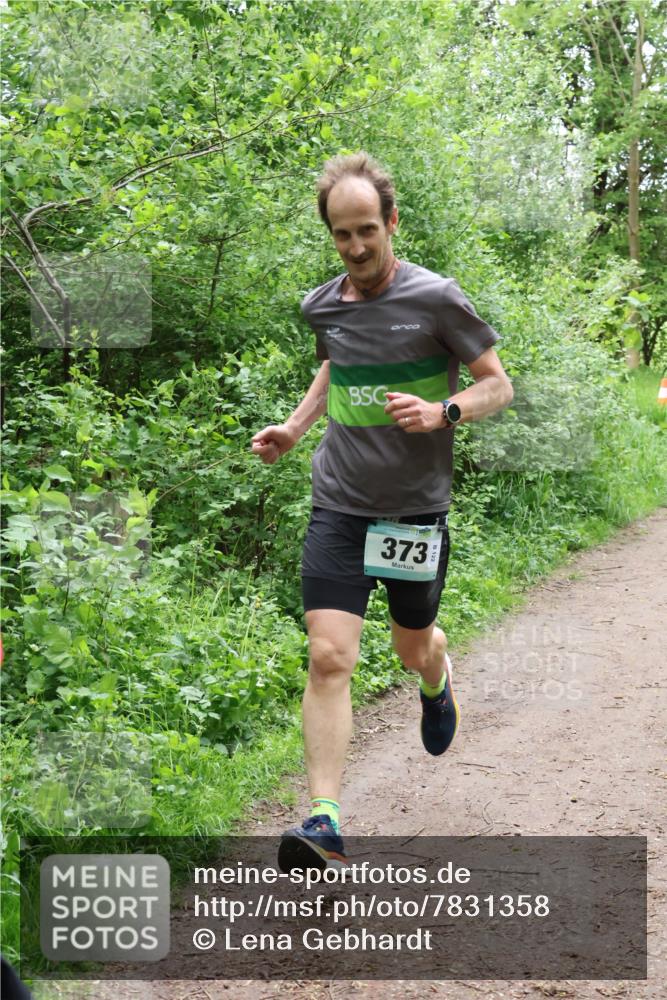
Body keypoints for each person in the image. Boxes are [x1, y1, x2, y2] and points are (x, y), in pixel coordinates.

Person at [251, 152, 513, 872]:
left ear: (391, 222)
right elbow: (336, 361)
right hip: (339, 503)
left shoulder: (436, 300)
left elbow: (497, 384)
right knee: (329, 656)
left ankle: (435, 676)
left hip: (411, 514)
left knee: (410, 646)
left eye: (368, 229)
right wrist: (295, 428)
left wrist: (444, 410)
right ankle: (325, 819)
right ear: (330, 235)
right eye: (342, 234)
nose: (357, 247)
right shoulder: (322, 306)